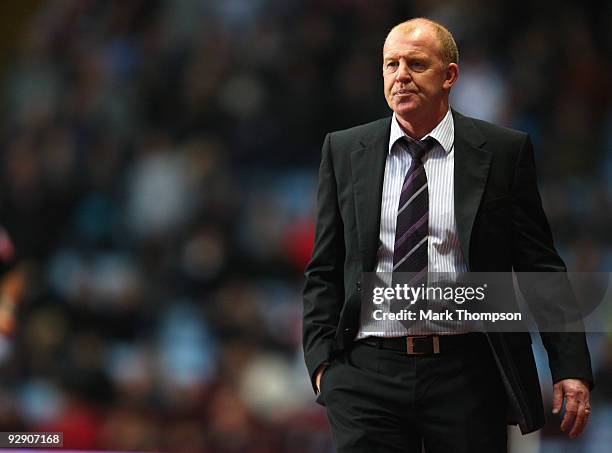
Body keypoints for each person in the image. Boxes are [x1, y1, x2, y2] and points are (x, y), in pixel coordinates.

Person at [302, 17, 593, 453]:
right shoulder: (344, 150)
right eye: (391, 64)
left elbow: (540, 266)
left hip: (467, 372)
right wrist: (324, 365)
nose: (401, 75)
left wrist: (569, 364)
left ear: (449, 75)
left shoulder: (501, 151)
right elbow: (324, 266)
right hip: (366, 371)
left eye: (416, 64)